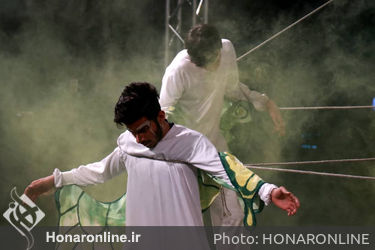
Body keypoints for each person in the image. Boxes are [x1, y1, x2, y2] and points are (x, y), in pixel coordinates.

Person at [24, 82, 299, 227]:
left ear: (160, 116)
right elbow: (98, 171)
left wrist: (267, 191)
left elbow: (227, 170)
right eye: (133, 132)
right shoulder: (129, 144)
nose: (139, 138)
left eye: (143, 129)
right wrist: (52, 181)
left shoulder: (190, 143)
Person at [159, 24, 285, 226]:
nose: (213, 66)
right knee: (184, 222)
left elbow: (233, 89)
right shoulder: (177, 71)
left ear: (219, 48)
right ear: (193, 59)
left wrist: (264, 101)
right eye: (205, 63)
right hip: (183, 153)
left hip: (214, 147)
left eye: (215, 57)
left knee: (232, 215)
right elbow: (162, 115)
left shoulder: (226, 50)